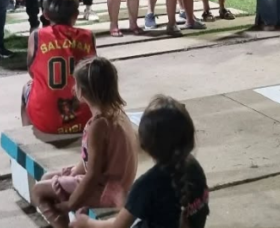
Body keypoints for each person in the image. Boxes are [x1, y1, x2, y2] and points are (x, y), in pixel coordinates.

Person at [71, 95, 210, 228]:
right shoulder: (194, 168)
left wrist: (87, 223)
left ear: (145, 146)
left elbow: (118, 226)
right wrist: (128, 201)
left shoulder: (147, 184)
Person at [33, 57, 138, 228]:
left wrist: (70, 204)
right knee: (46, 178)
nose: (73, 88)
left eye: (76, 84)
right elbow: (89, 161)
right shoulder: (117, 113)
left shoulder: (98, 125)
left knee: (39, 191)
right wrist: (73, 173)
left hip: (106, 190)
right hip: (117, 184)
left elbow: (93, 175)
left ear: (83, 91)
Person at [21, 0, 96, 134]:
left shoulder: (36, 36)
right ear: (76, 14)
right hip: (84, 119)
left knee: (27, 87)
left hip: (46, 122)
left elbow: (32, 73)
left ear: (45, 15)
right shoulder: (88, 36)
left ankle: (25, 136)